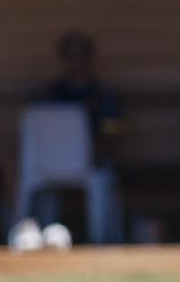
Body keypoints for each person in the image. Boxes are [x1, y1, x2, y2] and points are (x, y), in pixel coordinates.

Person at [30, 30, 124, 242]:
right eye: (70, 57)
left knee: (100, 182)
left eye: (81, 57)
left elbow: (113, 131)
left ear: (90, 58)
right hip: (48, 162)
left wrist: (95, 153)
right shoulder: (50, 93)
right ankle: (28, 229)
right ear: (63, 60)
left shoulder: (105, 95)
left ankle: (101, 239)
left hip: (90, 161)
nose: (76, 63)